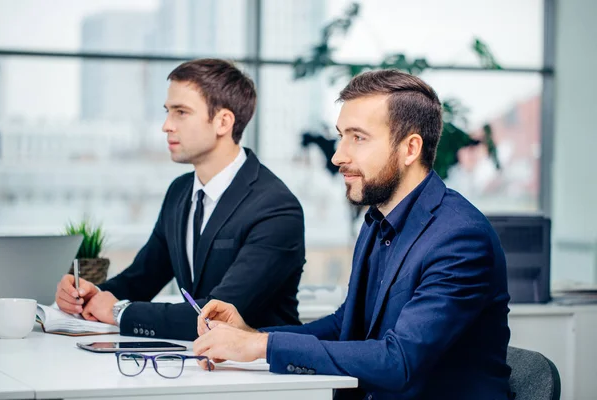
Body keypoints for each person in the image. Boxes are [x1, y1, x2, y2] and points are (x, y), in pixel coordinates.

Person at [192, 69, 513, 400]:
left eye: (357, 137)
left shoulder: (460, 238)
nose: (338, 156)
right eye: (341, 136)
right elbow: (345, 326)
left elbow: (398, 360)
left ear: (410, 148)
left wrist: (261, 346)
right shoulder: (377, 220)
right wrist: (251, 335)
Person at [54, 59, 306, 341]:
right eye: (167, 112)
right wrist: (90, 295)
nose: (166, 126)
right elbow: (142, 278)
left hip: (263, 373)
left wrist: (118, 312)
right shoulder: (180, 192)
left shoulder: (276, 208)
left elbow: (214, 316)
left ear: (223, 121)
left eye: (181, 113)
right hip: (193, 364)